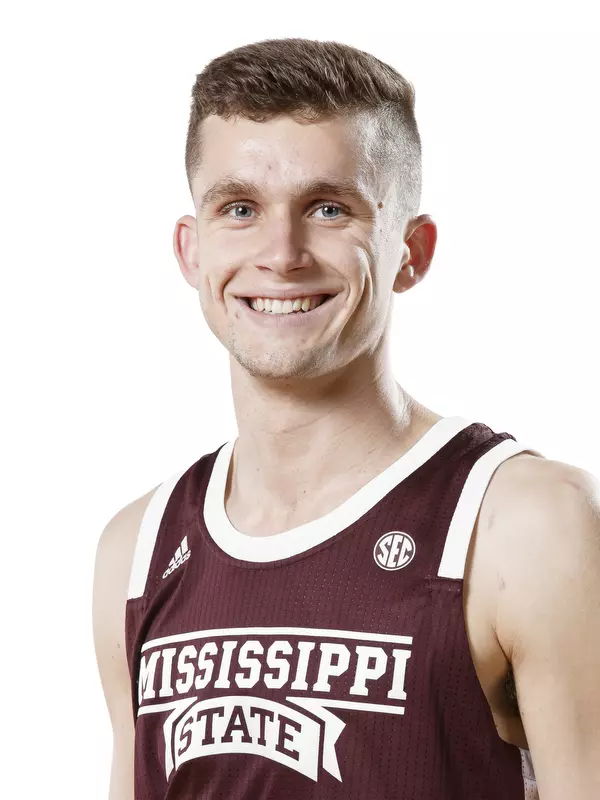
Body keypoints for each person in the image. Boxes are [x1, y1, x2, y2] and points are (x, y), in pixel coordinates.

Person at [92, 37, 600, 800]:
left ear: (410, 250)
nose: (281, 253)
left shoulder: (522, 525)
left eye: (329, 208)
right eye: (240, 209)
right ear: (191, 250)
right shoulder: (137, 549)